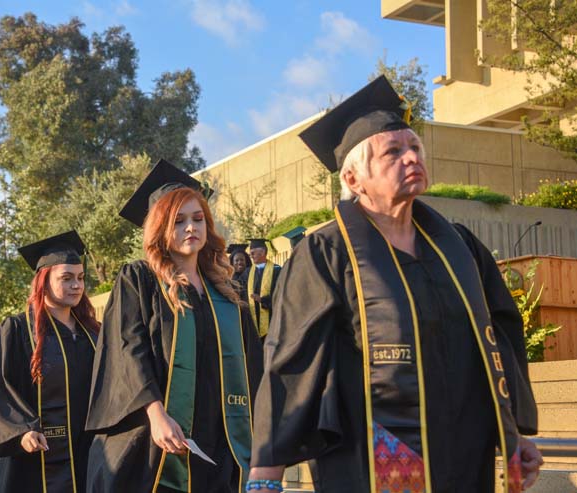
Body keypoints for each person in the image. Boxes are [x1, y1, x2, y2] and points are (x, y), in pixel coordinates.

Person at [247, 76, 543, 493]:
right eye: (393, 152)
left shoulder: (459, 246)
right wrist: (267, 472)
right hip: (368, 452)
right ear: (353, 179)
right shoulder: (326, 252)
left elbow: (498, 335)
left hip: (464, 449)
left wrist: (512, 431)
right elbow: (294, 357)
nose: (411, 157)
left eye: (415, 148)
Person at [85, 159, 263, 493]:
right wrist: (155, 414)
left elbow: (253, 366)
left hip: (220, 440)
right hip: (157, 438)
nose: (190, 228)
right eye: (178, 221)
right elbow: (127, 351)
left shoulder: (227, 292)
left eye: (198, 219)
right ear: (160, 227)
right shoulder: (139, 280)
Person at [0, 231, 100, 492]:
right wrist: (22, 430)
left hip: (87, 452)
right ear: (44, 282)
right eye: (66, 278)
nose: (77, 286)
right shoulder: (18, 330)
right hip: (36, 457)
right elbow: (1, 389)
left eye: (81, 278)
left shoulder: (93, 333)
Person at [241, 239, 281, 340]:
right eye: (250, 253)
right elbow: (240, 290)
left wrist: (263, 300)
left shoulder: (277, 270)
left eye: (253, 253)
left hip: (272, 320)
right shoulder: (247, 272)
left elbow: (281, 294)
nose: (251, 256)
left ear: (262, 252)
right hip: (252, 322)